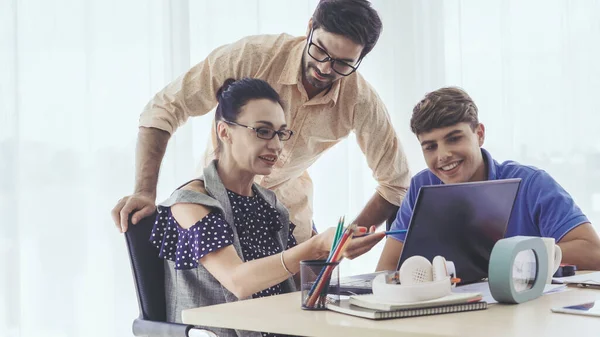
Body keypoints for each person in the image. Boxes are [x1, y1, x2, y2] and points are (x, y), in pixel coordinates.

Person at [111, 0, 411, 247]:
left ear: (361, 58)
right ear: (309, 28)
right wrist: (144, 191)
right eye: (320, 50)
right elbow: (165, 107)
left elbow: (395, 183)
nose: (324, 68)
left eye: (342, 63)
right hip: (218, 206)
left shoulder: (360, 100)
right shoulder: (252, 58)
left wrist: (339, 245)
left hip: (290, 224)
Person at [149, 78, 385, 337]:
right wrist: (317, 245)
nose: (276, 145)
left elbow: (292, 283)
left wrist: (334, 250)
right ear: (224, 132)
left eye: (281, 133)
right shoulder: (190, 203)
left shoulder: (270, 204)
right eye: (262, 131)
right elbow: (238, 281)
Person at [376, 87, 600, 272]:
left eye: (454, 139)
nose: (442, 155)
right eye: (430, 147)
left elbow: (593, 252)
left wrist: (513, 257)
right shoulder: (421, 187)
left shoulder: (532, 184)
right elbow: (385, 270)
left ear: (479, 134)